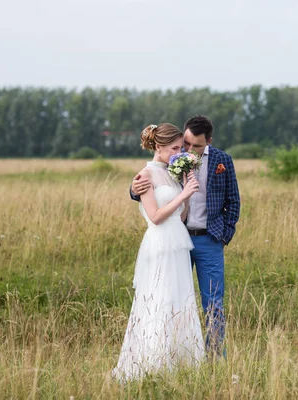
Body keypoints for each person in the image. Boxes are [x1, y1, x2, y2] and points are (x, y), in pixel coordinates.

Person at [131, 115, 240, 355]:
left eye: (196, 146)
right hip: (175, 240)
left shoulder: (223, 161)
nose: (188, 151)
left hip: (209, 239)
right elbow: (154, 184)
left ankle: (214, 356)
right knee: (173, 298)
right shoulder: (172, 158)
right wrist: (133, 188)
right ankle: (169, 353)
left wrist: (223, 236)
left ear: (208, 142)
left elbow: (233, 201)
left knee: (213, 302)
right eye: (185, 144)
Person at [113, 123, 204, 381]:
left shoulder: (173, 172)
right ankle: (153, 362)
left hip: (178, 240)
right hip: (160, 242)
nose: (179, 152)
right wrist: (183, 193)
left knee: (180, 299)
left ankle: (181, 361)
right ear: (159, 146)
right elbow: (155, 216)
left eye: (181, 148)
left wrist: (186, 192)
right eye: (175, 148)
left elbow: (181, 215)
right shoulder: (145, 175)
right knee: (160, 299)